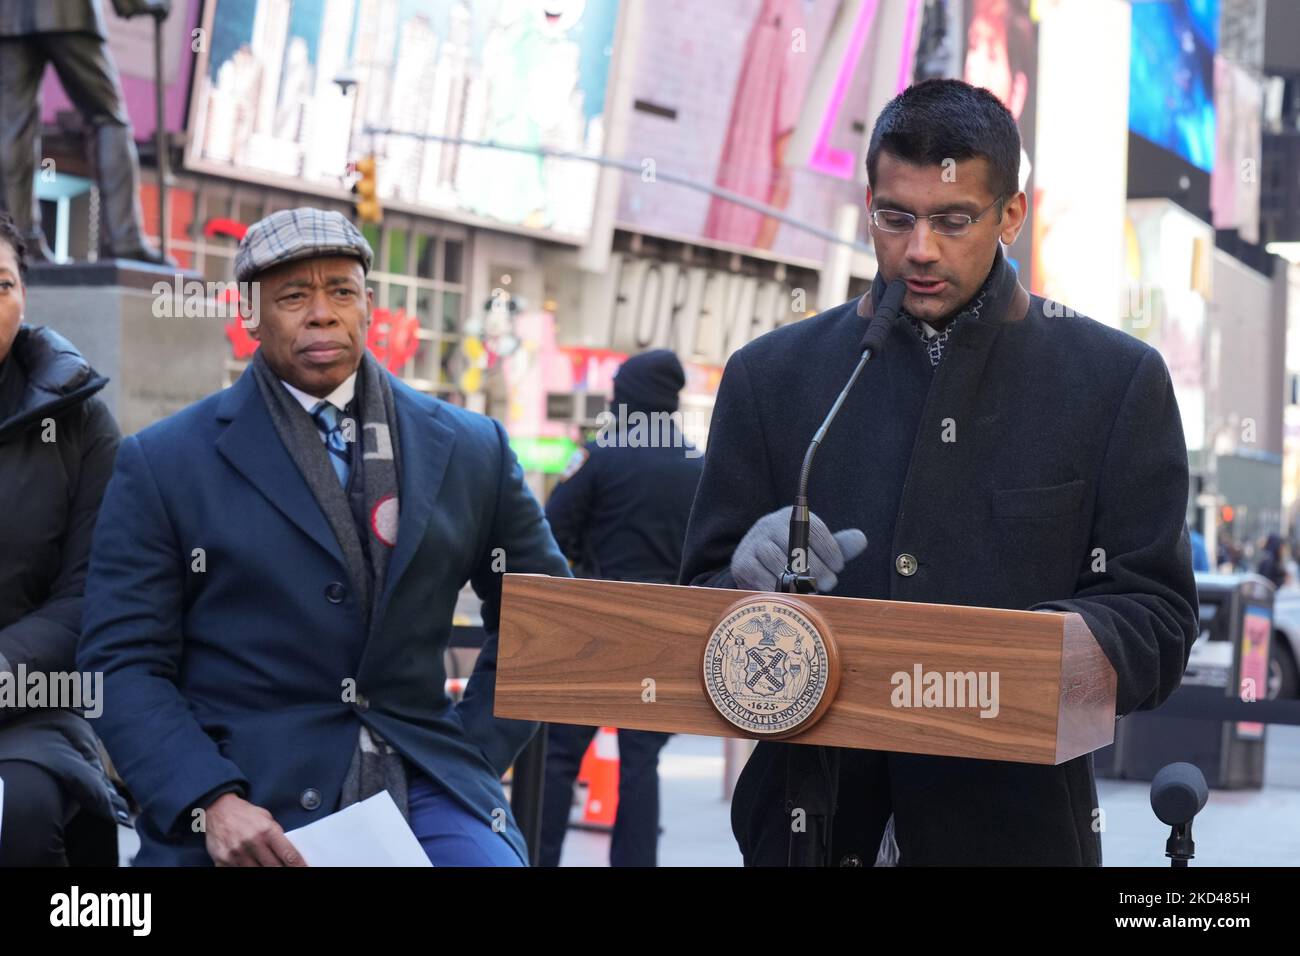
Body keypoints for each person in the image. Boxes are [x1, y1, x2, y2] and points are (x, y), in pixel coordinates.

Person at [680, 79, 1198, 866]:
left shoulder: (1114, 380)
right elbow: (695, 610)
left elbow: (1159, 617)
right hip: (808, 828)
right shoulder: (769, 377)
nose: (919, 248)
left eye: (953, 221)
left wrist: (1048, 652)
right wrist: (743, 587)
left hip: (1015, 835)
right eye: (897, 217)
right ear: (868, 206)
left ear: (1011, 216)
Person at [78, 208, 571, 866]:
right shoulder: (166, 462)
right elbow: (121, 663)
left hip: (422, 779)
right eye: (293, 296)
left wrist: (473, 750)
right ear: (249, 316)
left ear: (368, 305)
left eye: (340, 290)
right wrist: (210, 798)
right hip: (246, 790)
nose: (321, 313)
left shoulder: (470, 446)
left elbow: (547, 616)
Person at [538, 349, 704, 866]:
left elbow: (550, 528)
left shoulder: (601, 455)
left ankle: (538, 857)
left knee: (560, 756)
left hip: (597, 621)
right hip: (665, 626)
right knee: (640, 762)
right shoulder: (697, 463)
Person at [0, 211, 127, 865]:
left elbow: (92, 595)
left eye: (1, 285)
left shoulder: (78, 420)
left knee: (17, 808)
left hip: (29, 708)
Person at [0, 0, 171, 262]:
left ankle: (19, 244)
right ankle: (123, 240)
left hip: (9, 19)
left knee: (13, 130)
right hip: (67, 11)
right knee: (109, 118)